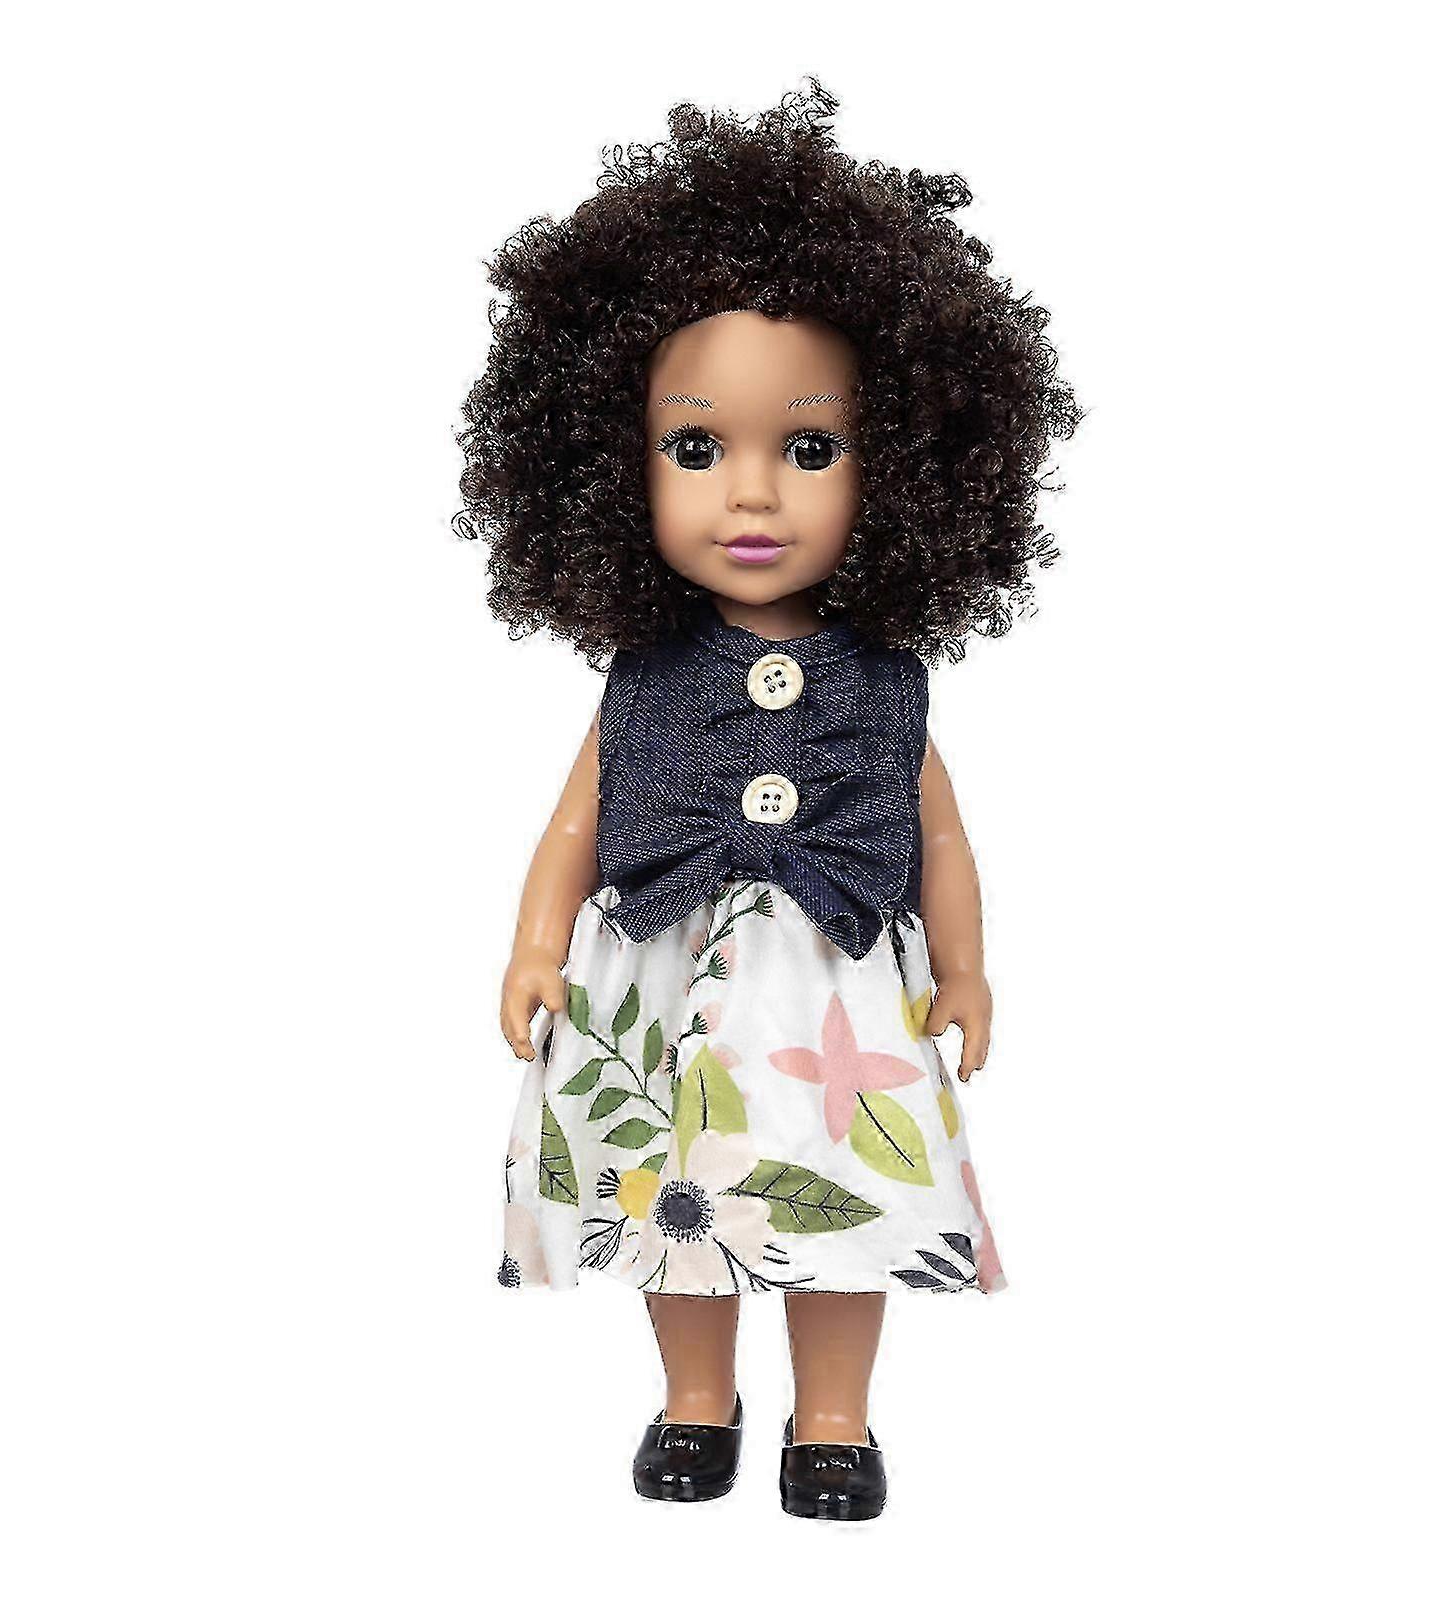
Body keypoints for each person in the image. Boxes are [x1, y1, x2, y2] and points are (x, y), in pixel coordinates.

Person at [453, 77, 1079, 1520]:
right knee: (669, 1196)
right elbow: (574, 822)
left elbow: (937, 832)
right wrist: (536, 945)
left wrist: (969, 970)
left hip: (839, 993)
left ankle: (835, 1418)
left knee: (839, 1198)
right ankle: (696, 1397)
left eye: (809, 448)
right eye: (696, 448)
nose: (753, 493)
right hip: (660, 974)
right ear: (607, 467)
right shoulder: (644, 674)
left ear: (906, 469)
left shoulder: (885, 676)